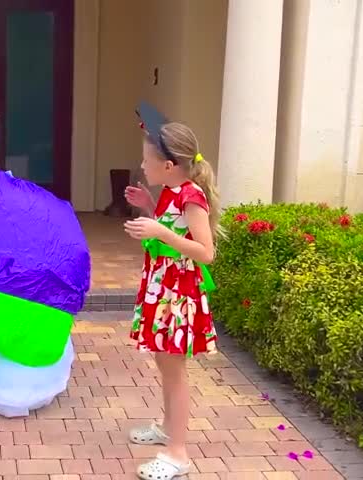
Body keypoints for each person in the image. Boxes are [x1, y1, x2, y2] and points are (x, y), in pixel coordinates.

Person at [122, 103, 220, 480]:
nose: (142, 165)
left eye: (146, 160)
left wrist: (160, 232)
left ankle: (178, 453)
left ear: (167, 165)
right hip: (163, 291)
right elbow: (172, 227)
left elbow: (206, 252)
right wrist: (149, 207)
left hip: (178, 297)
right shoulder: (170, 191)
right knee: (165, 364)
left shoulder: (191, 196)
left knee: (174, 371)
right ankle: (167, 429)